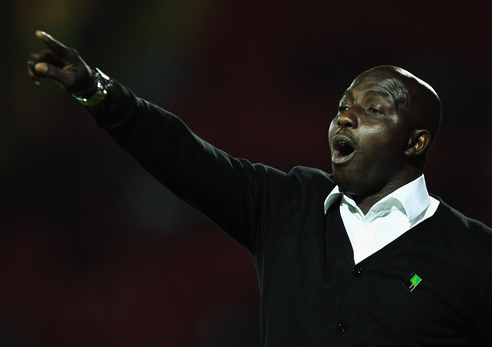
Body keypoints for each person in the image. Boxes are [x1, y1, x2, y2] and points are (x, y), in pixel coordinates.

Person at [28, 30, 492, 346]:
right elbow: (183, 156)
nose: (345, 117)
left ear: (416, 141)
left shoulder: (474, 255)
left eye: (372, 110)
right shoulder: (288, 205)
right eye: (343, 105)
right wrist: (97, 91)